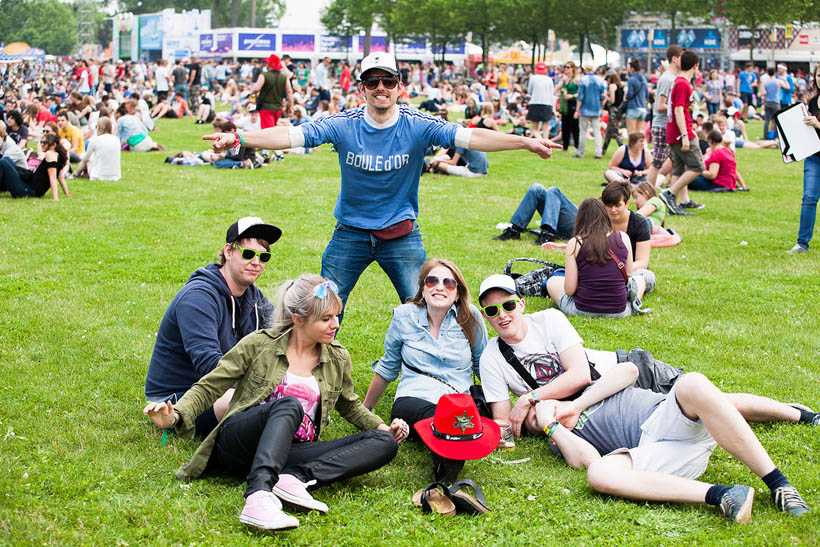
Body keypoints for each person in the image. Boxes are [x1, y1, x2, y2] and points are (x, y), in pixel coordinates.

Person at [203, 52, 561, 321]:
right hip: (350, 233)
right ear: (362, 88)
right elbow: (290, 134)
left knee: (428, 311)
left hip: (401, 235)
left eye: (387, 81)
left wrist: (525, 141)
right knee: (323, 310)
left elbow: (471, 136)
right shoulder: (343, 124)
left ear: (399, 86)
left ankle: (437, 376)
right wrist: (237, 136)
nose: (380, 88)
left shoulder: (419, 125)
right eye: (372, 82)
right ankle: (310, 378)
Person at [144, 274, 405, 531]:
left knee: (384, 443)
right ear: (298, 319)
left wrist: (382, 428)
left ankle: (296, 477)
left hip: (290, 453)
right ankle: (258, 495)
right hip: (240, 443)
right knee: (290, 405)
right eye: (325, 318)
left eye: (336, 315)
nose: (335, 324)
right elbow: (211, 384)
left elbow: (350, 404)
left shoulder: (337, 356)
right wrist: (176, 414)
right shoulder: (260, 344)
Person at [476, 273, 820, 439]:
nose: (502, 315)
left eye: (508, 305)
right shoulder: (492, 357)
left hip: (626, 369)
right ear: (487, 316)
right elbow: (505, 423)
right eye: (492, 310)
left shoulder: (548, 318)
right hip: (600, 404)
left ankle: (797, 415)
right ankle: (790, 414)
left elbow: (579, 374)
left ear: (521, 303)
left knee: (711, 401)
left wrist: (531, 399)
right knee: (695, 416)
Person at [533, 365, 811, 522]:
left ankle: (780, 483)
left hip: (670, 418)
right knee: (599, 474)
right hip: (658, 453)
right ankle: (724, 495)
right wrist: (552, 427)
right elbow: (588, 459)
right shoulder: (560, 439)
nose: (537, 415)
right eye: (531, 422)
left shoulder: (590, 391)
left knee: (693, 384)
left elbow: (629, 371)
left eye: (538, 409)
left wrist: (577, 405)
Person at [144, 217, 280, 437]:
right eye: (248, 254)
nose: (257, 262)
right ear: (228, 251)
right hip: (182, 397)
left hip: (223, 386)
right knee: (248, 403)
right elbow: (209, 365)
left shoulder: (254, 298)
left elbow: (282, 338)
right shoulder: (198, 297)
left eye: (264, 256)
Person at [363, 259, 487, 483]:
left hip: (458, 401)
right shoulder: (404, 316)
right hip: (414, 398)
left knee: (454, 421)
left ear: (457, 293)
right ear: (423, 288)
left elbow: (483, 367)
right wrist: (365, 410)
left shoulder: (470, 317)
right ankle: (446, 474)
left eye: (449, 283)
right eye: (432, 281)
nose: (440, 287)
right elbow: (389, 365)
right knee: (449, 423)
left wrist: (499, 417)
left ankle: (444, 473)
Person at [545, 198, 645, 318]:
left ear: (581, 218)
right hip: (619, 310)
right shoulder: (623, 237)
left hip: (583, 309)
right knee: (640, 279)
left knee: (552, 281)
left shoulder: (576, 242)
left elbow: (570, 290)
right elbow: (628, 279)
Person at [660, 50, 704, 216]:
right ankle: (669, 194)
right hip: (681, 132)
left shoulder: (679, 82)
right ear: (695, 65)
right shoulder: (683, 83)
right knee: (698, 166)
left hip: (675, 132)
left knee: (678, 169)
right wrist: (686, 135)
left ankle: (674, 205)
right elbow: (679, 110)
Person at [788, 64, 820, 253]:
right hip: (814, 157)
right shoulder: (813, 101)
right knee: (809, 197)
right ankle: (802, 243)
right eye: (818, 75)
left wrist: (817, 124)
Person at [494, 184, 577, 245]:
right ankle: (514, 231)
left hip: (578, 225)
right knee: (536, 188)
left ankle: (547, 235)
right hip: (561, 226)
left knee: (553, 191)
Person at [600, 181, 653, 276]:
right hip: (603, 270)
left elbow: (642, 262)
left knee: (647, 276)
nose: (613, 210)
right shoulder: (597, 221)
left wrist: (618, 270)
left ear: (627, 203)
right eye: (609, 205)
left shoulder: (640, 223)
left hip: (632, 271)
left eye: (617, 205)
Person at [647, 46, 683, 187]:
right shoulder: (667, 79)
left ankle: (676, 195)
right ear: (674, 59)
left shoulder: (673, 78)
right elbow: (660, 106)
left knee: (678, 161)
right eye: (681, 57)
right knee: (657, 162)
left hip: (669, 124)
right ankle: (647, 193)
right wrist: (679, 108)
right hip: (663, 125)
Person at [0, 133, 70, 200]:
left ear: (54, 145)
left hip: (27, 191)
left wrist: (55, 198)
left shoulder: (50, 154)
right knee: (6, 159)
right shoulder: (57, 156)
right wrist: (66, 193)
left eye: (45, 143)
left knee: (3, 162)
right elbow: (60, 177)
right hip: (27, 186)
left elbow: (53, 178)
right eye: (41, 142)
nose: (42, 144)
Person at [573, 64, 606, 159]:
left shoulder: (583, 80)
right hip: (596, 109)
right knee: (597, 131)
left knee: (583, 131)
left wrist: (577, 110)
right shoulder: (600, 80)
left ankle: (581, 152)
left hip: (585, 109)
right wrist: (601, 108)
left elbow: (580, 97)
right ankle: (598, 152)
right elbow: (602, 96)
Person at [254, 54, 294, 130]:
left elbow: (256, 89)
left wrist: (253, 92)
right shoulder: (284, 77)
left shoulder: (264, 75)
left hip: (266, 107)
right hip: (278, 108)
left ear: (269, 64)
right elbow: (289, 92)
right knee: (273, 127)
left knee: (268, 131)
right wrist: (291, 106)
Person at [75, 116, 121, 181]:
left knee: (88, 159)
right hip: (115, 175)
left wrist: (80, 155)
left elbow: (86, 157)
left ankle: (76, 174)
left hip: (99, 175)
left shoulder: (95, 140)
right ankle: (82, 174)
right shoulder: (116, 139)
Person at [527, 62, 555, 139]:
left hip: (535, 103)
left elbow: (529, 91)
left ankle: (540, 140)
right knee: (545, 127)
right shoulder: (549, 79)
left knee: (534, 128)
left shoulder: (533, 78)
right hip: (547, 104)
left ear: (536, 69)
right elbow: (552, 94)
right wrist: (554, 109)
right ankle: (546, 143)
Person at [557, 62, 580, 151]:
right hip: (565, 105)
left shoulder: (576, 80)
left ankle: (577, 146)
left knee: (574, 126)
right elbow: (557, 88)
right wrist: (562, 81)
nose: (566, 69)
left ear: (573, 68)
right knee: (565, 125)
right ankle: (565, 145)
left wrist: (572, 95)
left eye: (568, 67)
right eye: (565, 67)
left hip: (573, 103)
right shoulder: (565, 79)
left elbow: (581, 93)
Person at [601, 69, 624, 155]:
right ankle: (603, 150)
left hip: (613, 110)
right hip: (619, 110)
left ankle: (623, 148)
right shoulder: (621, 86)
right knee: (608, 132)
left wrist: (606, 95)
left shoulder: (612, 86)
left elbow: (612, 100)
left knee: (615, 131)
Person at [624, 60, 648, 134]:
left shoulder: (631, 80)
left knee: (631, 133)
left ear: (632, 68)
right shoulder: (644, 80)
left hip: (633, 108)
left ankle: (631, 146)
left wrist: (626, 94)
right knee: (638, 134)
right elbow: (647, 94)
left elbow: (630, 94)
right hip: (643, 108)